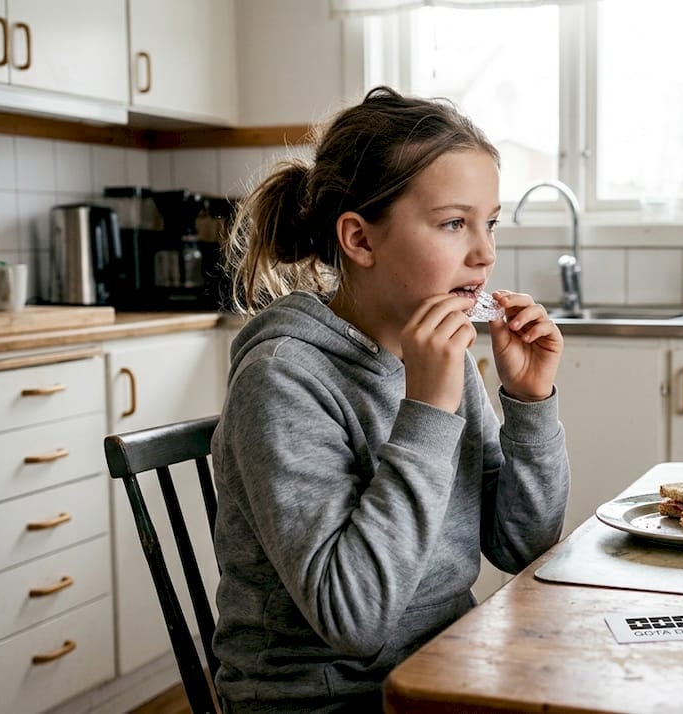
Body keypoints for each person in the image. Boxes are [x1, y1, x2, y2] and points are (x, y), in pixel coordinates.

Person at [210, 86, 571, 713]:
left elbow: (523, 548)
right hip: (327, 701)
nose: (485, 253)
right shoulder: (282, 377)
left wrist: (530, 403)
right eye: (454, 223)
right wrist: (428, 412)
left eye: (490, 223)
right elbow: (354, 618)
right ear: (361, 239)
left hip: (446, 667)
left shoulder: (438, 354)